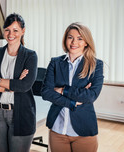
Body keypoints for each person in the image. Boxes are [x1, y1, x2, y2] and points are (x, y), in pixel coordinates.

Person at [41, 22, 104, 152]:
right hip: (57, 129)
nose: (74, 42)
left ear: (86, 42)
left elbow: (91, 95)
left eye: (80, 38)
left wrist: (63, 90)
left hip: (84, 131)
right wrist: (72, 102)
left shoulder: (96, 65)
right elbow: (46, 92)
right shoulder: (55, 62)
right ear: (65, 39)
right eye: (70, 37)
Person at [0, 13, 38, 152]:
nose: (10, 34)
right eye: (7, 30)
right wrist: (13, 84)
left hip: (21, 114)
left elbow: (25, 86)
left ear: (23, 31)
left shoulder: (30, 56)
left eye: (15, 30)